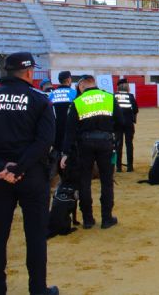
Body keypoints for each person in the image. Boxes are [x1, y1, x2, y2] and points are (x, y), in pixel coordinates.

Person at [0, 52, 59, 295]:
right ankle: (38, 289)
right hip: (31, 175)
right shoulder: (40, 99)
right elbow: (45, 141)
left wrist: (1, 168)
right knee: (35, 236)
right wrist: (20, 167)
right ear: (30, 73)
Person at [61, 74, 123, 230]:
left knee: (84, 181)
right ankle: (107, 218)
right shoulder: (109, 98)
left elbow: (70, 131)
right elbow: (121, 121)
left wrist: (65, 153)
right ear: (94, 83)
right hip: (106, 143)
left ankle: (88, 219)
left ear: (82, 86)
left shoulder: (77, 102)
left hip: (85, 144)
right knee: (106, 181)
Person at [48, 71, 77, 157]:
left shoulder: (51, 94)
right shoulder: (74, 93)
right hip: (70, 128)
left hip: (55, 129)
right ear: (68, 80)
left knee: (57, 152)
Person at [114, 79, 138, 172]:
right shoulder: (130, 96)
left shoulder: (114, 96)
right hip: (128, 123)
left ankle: (118, 167)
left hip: (117, 124)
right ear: (127, 86)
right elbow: (135, 109)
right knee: (129, 144)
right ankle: (130, 167)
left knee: (118, 145)